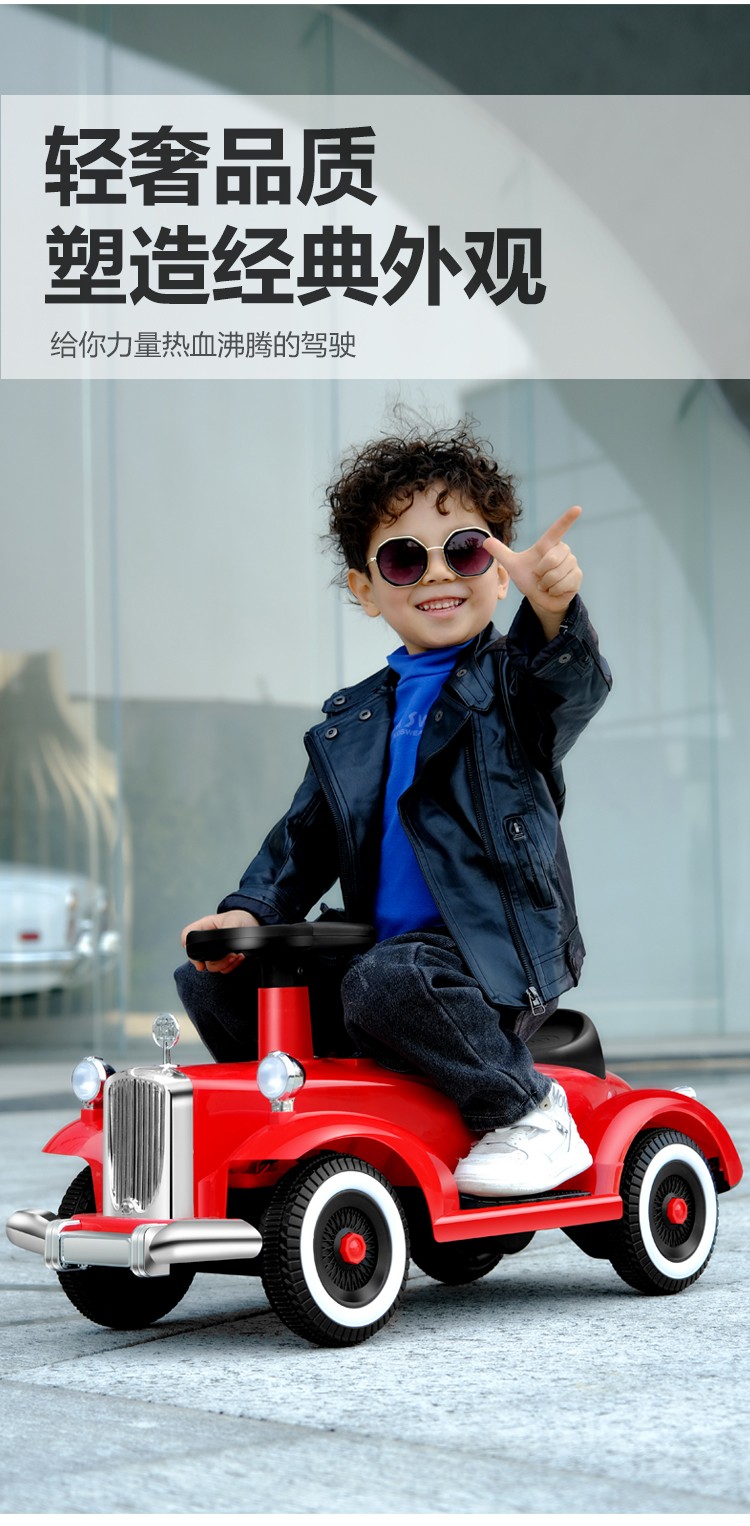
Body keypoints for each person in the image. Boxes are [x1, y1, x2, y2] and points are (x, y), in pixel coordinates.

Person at [176, 422, 612, 1197]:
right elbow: (303, 839)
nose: (438, 572)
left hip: (487, 960)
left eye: (466, 551)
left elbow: (565, 688)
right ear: (365, 589)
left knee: (390, 979)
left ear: (501, 574)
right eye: (406, 558)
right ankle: (295, 1126)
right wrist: (247, 910)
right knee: (212, 980)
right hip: (381, 961)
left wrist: (553, 614)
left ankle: (527, 1112)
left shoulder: (511, 692)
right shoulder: (353, 720)